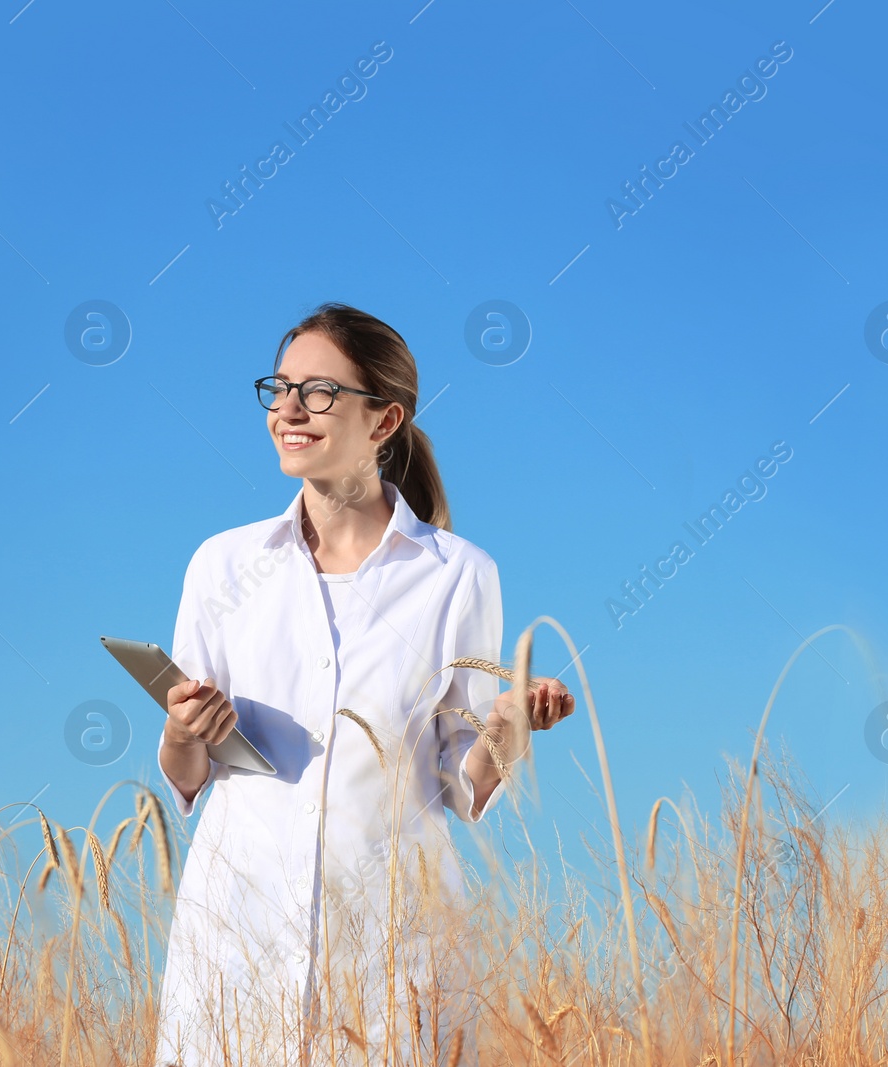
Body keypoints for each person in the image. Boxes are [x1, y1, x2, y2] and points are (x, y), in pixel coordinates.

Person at [153, 303, 572, 1066]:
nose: (287, 410)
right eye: (278, 389)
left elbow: (463, 785)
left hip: (388, 951)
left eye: (318, 392)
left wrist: (507, 731)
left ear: (384, 422)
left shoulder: (457, 574)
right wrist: (185, 729)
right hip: (235, 937)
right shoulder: (221, 564)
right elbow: (189, 776)